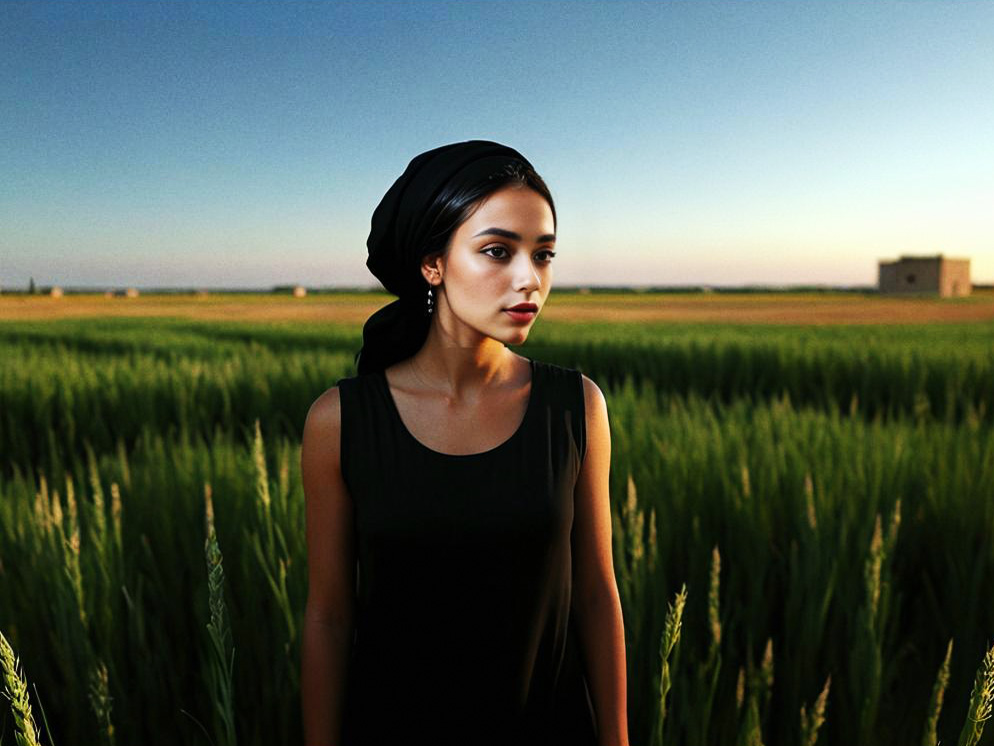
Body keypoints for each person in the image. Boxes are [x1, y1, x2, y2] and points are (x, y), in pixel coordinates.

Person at [300, 140, 628, 746]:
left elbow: (595, 593)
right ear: (433, 264)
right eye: (498, 252)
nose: (530, 279)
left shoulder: (577, 407)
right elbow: (328, 615)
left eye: (545, 254)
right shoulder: (340, 420)